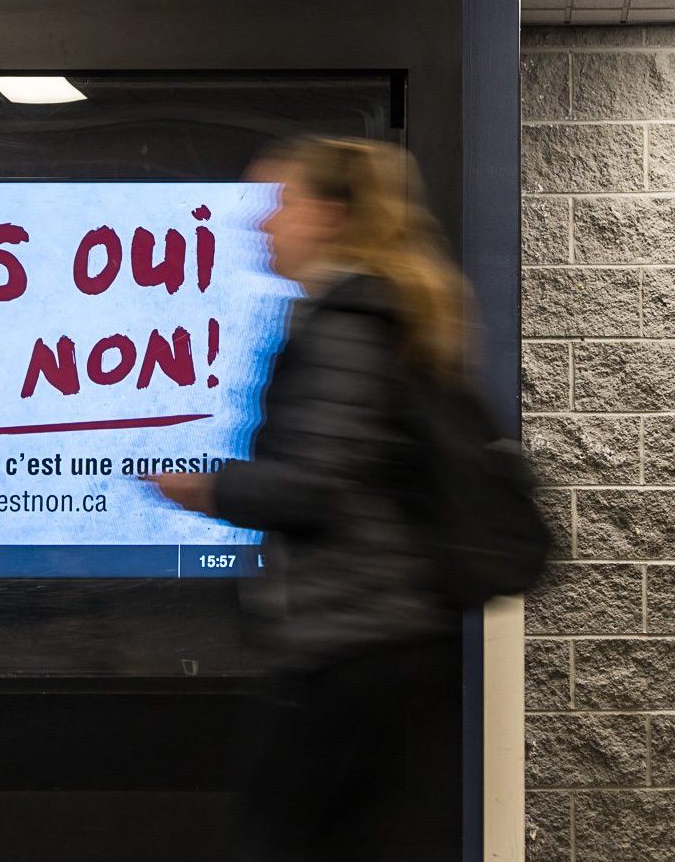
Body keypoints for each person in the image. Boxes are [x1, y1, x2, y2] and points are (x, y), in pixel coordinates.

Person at [147, 136, 467, 862]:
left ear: (328, 214)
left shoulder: (349, 326)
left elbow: (316, 482)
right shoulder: (370, 316)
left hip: (351, 648)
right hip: (374, 644)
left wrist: (206, 484)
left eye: (280, 204)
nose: (263, 224)